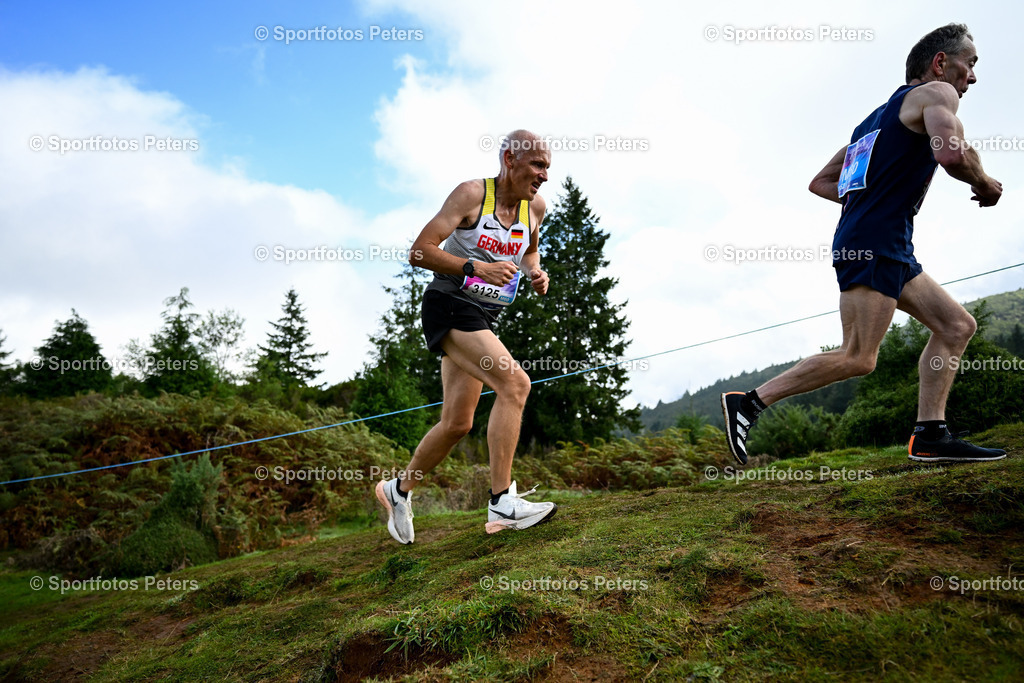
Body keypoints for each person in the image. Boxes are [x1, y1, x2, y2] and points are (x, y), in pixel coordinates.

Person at [722, 23, 1006, 466]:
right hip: (876, 241)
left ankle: (931, 433)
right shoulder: (937, 94)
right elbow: (951, 153)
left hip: (881, 239)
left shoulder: (871, 123)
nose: (972, 77)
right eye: (969, 65)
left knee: (956, 326)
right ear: (940, 64)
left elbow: (821, 183)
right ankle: (749, 402)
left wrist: (868, 200)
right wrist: (986, 184)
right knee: (859, 357)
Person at [375, 129, 558, 544]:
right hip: (450, 302)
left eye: (548, 167)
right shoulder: (472, 195)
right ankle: (502, 502)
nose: (544, 176)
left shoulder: (536, 207)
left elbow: (530, 249)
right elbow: (419, 250)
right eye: (537, 165)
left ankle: (397, 491)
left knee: (457, 423)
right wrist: (475, 268)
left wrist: (534, 271)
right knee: (515, 384)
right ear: (510, 159)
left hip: (483, 315)